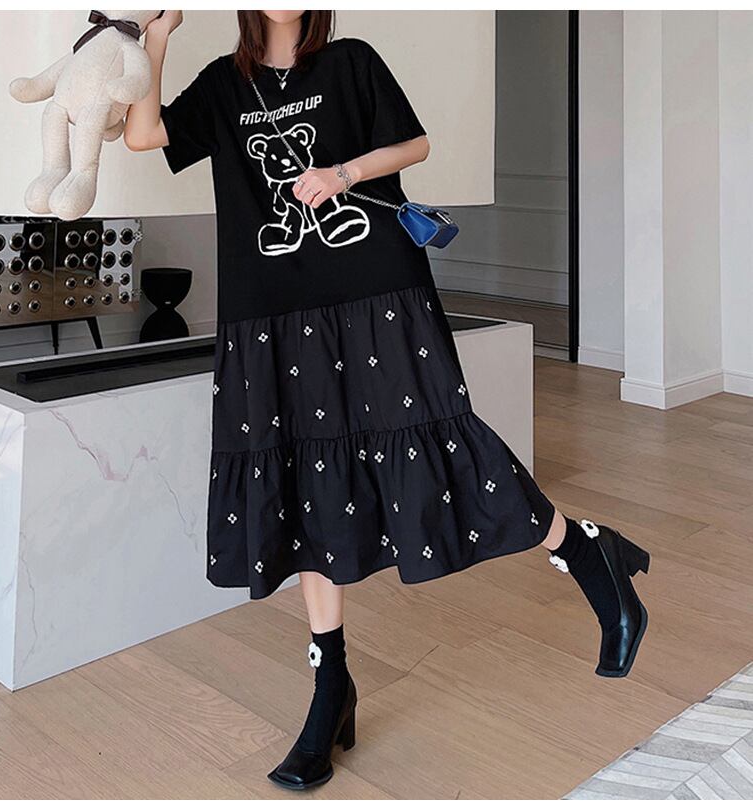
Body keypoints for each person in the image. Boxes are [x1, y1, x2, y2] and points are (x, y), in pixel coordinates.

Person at [124, 9, 651, 792]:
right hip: (270, 306)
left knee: (440, 439)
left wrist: (341, 175)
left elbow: (415, 146)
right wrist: (157, 39)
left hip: (376, 287)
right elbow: (143, 136)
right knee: (301, 478)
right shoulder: (224, 86)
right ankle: (330, 683)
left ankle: (583, 549)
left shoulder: (351, 63)